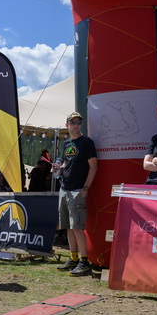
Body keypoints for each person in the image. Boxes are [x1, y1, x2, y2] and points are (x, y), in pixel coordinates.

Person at [52, 112, 97, 277]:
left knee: (77, 227)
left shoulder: (87, 142)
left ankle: (84, 263)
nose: (76, 125)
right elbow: (66, 163)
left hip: (77, 190)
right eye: (73, 122)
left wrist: (85, 188)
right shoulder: (67, 143)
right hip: (64, 188)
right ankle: (73, 258)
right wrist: (59, 168)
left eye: (78, 122)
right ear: (67, 125)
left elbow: (94, 166)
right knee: (68, 227)